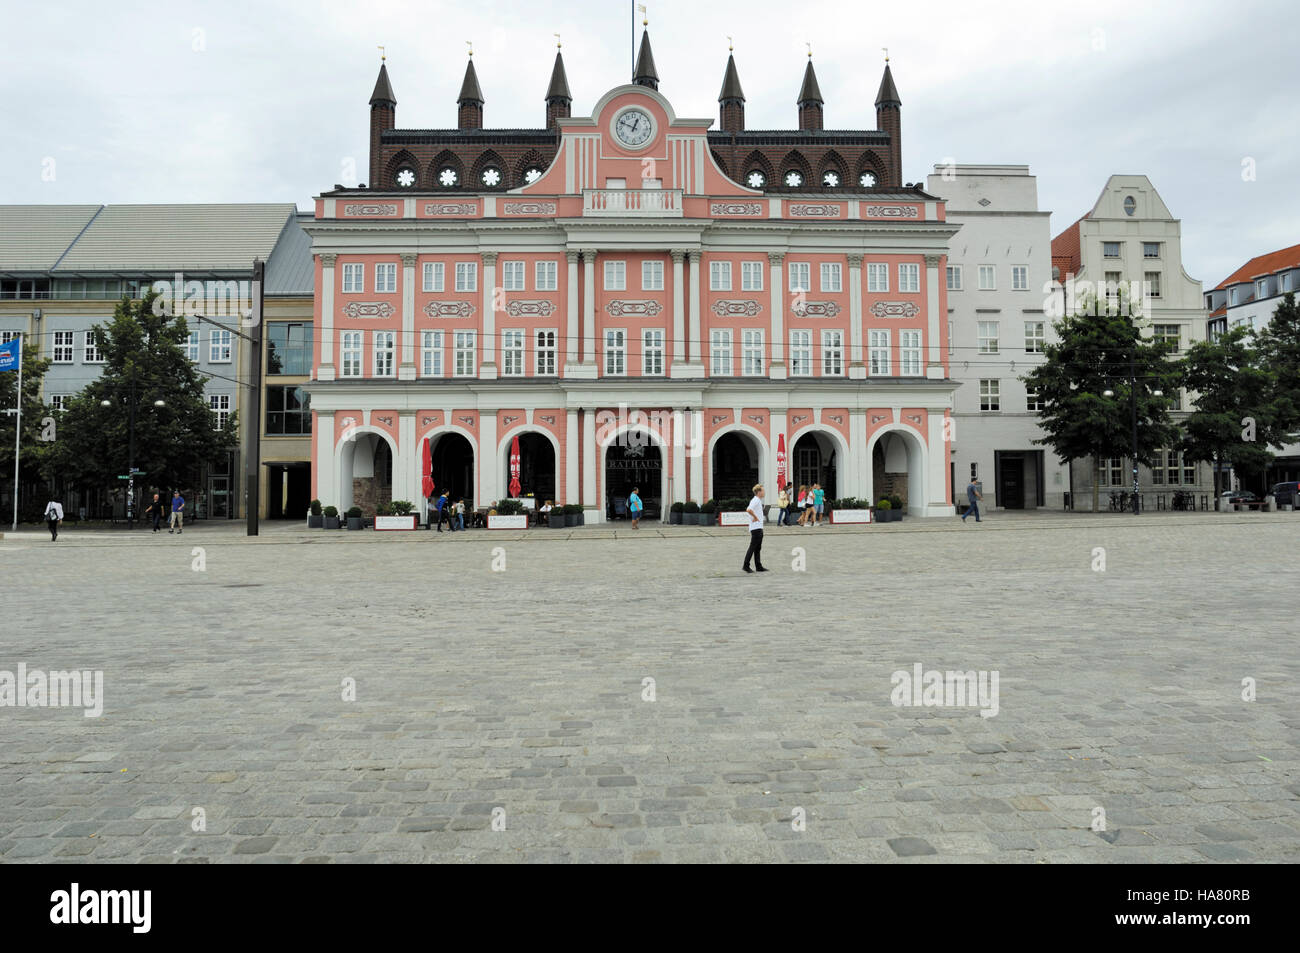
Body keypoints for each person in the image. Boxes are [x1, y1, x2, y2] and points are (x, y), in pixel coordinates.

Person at [742, 483, 767, 573]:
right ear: (758, 492)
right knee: (753, 547)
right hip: (756, 528)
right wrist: (755, 517)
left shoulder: (758, 500)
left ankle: (758, 566)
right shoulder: (755, 500)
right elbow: (749, 509)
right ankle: (746, 565)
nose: (764, 492)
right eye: (763, 491)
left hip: (758, 527)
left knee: (757, 548)